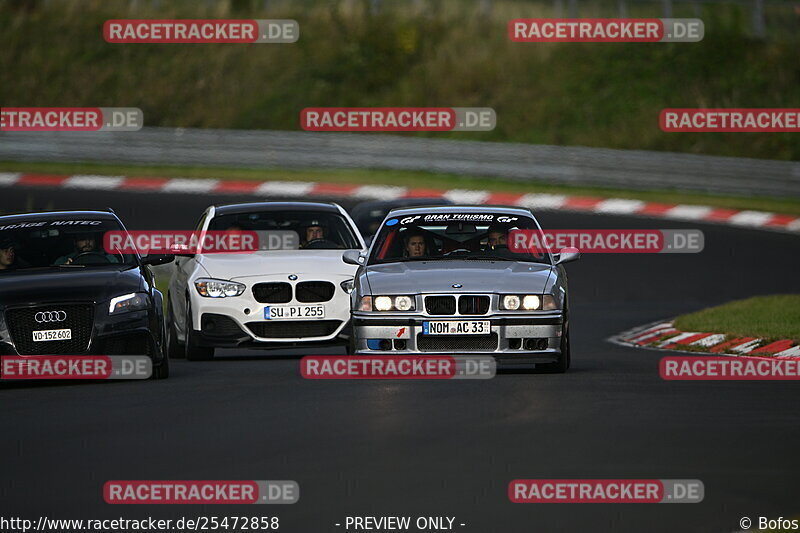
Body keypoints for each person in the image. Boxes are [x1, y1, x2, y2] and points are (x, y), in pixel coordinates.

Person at [54, 232, 119, 265]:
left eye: (90, 238)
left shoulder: (109, 259)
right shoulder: (62, 261)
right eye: (82, 239)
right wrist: (65, 268)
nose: (87, 243)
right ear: (75, 242)